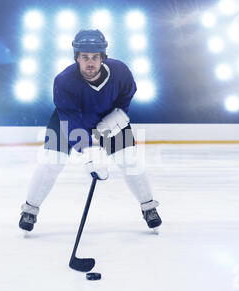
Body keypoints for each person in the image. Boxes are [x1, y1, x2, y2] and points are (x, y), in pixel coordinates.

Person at [19, 29, 161, 233]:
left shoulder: (121, 72)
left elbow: (126, 97)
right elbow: (70, 118)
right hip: (66, 121)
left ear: (103, 57)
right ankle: (30, 210)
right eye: (84, 57)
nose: (90, 62)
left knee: (130, 160)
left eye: (95, 57)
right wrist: (90, 152)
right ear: (76, 57)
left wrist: (116, 118)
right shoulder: (63, 81)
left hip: (108, 119)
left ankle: (149, 207)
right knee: (50, 162)